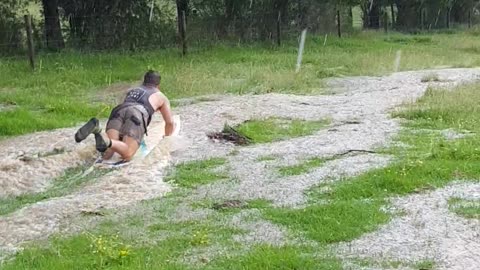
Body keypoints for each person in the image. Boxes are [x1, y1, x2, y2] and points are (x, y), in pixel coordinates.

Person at [74, 70, 174, 162]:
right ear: (158, 85)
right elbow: (169, 122)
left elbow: (125, 112)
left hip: (118, 110)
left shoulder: (133, 90)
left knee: (109, 152)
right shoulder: (161, 96)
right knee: (128, 154)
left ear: (144, 81)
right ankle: (107, 141)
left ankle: (98, 131)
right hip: (137, 113)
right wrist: (167, 138)